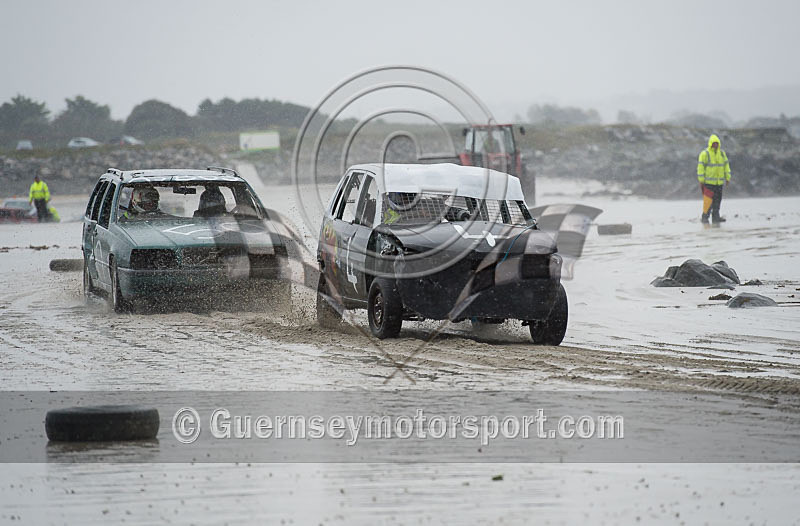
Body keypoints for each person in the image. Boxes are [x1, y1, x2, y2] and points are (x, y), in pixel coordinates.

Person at [697, 133, 731, 224]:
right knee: (708, 202)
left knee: (717, 201)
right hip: (708, 183)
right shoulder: (705, 154)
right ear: (710, 143)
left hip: (719, 183)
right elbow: (701, 167)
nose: (715, 145)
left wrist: (727, 178)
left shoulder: (722, 154)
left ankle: (716, 217)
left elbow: (726, 166)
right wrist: (701, 180)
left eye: (717, 143)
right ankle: (705, 217)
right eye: (714, 143)